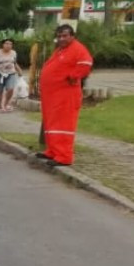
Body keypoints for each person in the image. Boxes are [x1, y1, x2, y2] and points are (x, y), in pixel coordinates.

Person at [37, 24, 94, 167]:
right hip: (53, 95)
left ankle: (64, 156)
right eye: (59, 36)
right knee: (51, 122)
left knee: (63, 124)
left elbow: (86, 64)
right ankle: (52, 151)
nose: (61, 38)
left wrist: (73, 76)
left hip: (66, 95)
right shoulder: (61, 50)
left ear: (72, 36)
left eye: (65, 36)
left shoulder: (77, 49)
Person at [0, 38, 24, 112]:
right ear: (3, 44)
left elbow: (14, 63)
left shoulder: (13, 53)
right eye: (6, 44)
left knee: (10, 89)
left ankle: (5, 104)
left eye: (10, 44)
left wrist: (19, 70)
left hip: (10, 73)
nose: (8, 45)